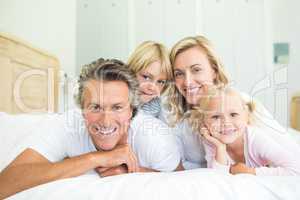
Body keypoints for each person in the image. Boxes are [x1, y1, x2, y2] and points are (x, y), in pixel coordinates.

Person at [0, 58, 181, 199]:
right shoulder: (67, 124)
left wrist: (133, 172)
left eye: (117, 107)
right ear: (82, 109)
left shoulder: (154, 137)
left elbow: (182, 179)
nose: (106, 121)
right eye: (95, 107)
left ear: (132, 111)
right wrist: (96, 158)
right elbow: (4, 185)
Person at [162, 35, 287, 170]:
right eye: (179, 74)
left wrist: (252, 172)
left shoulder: (240, 103)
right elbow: (177, 166)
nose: (187, 81)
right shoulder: (176, 118)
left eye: (196, 70)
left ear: (214, 71)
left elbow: (289, 152)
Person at [188, 87, 300, 175]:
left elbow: (296, 168)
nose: (226, 123)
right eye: (216, 117)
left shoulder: (255, 138)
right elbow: (218, 178)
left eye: (233, 114)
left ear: (246, 116)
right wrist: (220, 148)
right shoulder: (212, 141)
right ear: (204, 122)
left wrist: (250, 172)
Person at [127, 41, 173, 118]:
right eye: (146, 77)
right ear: (131, 71)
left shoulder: (157, 105)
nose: (152, 87)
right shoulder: (116, 98)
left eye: (160, 82)